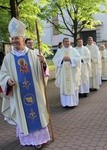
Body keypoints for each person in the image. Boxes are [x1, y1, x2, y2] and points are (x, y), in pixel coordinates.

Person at [0, 17, 50, 149]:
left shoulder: (35, 54)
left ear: (23, 38)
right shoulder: (8, 58)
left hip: (35, 93)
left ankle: (39, 139)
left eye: (17, 38)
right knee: (23, 114)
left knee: (37, 113)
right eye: (13, 39)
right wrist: (7, 81)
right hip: (18, 93)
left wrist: (43, 63)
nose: (15, 41)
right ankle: (27, 138)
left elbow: (43, 72)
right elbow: (3, 74)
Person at [52, 37, 81, 107]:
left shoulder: (74, 50)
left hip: (72, 73)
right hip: (63, 73)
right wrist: (62, 59)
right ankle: (65, 104)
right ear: (63, 42)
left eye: (68, 41)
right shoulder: (60, 51)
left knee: (72, 86)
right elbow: (54, 60)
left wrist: (70, 59)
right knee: (64, 87)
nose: (67, 42)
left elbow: (78, 59)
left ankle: (73, 103)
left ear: (70, 42)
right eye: (65, 41)